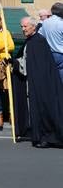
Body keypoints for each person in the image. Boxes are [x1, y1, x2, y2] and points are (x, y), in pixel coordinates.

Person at [13, 16, 63, 148]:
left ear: (33, 27)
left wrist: (16, 63)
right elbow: (26, 61)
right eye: (22, 27)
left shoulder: (38, 42)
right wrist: (14, 62)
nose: (23, 29)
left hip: (43, 84)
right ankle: (41, 136)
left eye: (25, 26)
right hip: (36, 82)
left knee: (45, 108)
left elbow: (37, 65)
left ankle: (48, 137)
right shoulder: (30, 41)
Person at [39, 2, 63, 83]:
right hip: (61, 54)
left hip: (49, 54)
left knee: (52, 79)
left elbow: (39, 35)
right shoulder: (61, 23)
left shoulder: (45, 22)